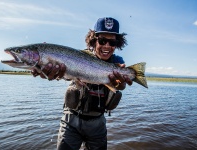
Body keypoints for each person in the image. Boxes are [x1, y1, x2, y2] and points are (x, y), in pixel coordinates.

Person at [32, 17, 133, 150]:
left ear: (117, 44)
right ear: (93, 40)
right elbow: (61, 75)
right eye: (102, 41)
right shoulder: (77, 57)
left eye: (112, 42)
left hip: (98, 124)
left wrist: (120, 82)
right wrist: (44, 70)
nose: (107, 46)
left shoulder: (117, 62)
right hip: (71, 121)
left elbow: (121, 86)